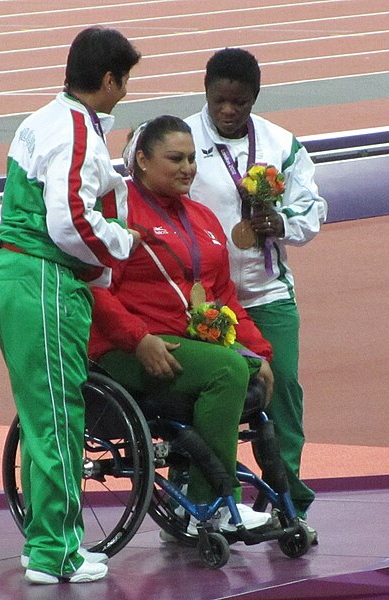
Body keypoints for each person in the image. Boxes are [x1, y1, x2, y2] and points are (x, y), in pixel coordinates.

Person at [0, 27, 141, 585]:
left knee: (40, 418)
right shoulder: (74, 129)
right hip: (43, 278)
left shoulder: (40, 120)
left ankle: (43, 542)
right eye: (124, 83)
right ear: (107, 80)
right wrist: (121, 244)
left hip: (16, 275)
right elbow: (69, 220)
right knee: (56, 419)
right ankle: (58, 554)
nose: (125, 94)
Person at [89, 115, 274, 535]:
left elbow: (223, 296)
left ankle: (225, 491)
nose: (187, 168)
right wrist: (139, 341)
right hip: (126, 349)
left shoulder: (203, 218)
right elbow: (95, 289)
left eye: (192, 158)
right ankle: (209, 507)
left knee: (246, 367)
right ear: (141, 159)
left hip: (187, 344)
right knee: (227, 371)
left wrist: (258, 350)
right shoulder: (117, 210)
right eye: (175, 158)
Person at [185, 48, 327, 535]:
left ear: (255, 99)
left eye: (240, 103)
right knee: (195, 399)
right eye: (220, 100)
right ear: (205, 91)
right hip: (202, 300)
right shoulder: (177, 139)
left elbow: (314, 210)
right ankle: (192, 500)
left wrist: (281, 222)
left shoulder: (281, 144)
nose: (228, 110)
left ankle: (291, 500)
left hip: (268, 293)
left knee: (282, 389)